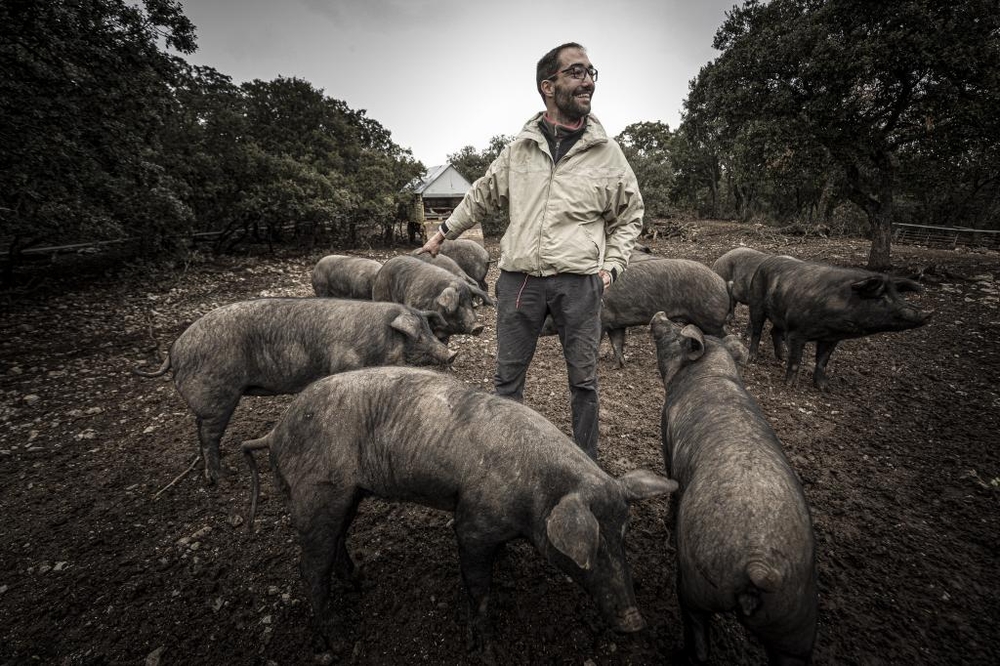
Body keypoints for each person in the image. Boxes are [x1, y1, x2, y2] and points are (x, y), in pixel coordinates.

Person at [420, 42, 643, 460]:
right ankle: (504, 464)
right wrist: (444, 232)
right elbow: (483, 194)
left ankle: (587, 465)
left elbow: (630, 216)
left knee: (584, 383)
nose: (588, 81)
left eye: (592, 72)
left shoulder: (607, 153)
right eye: (576, 72)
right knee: (507, 380)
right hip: (520, 280)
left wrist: (611, 268)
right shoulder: (519, 148)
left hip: (580, 283)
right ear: (548, 86)